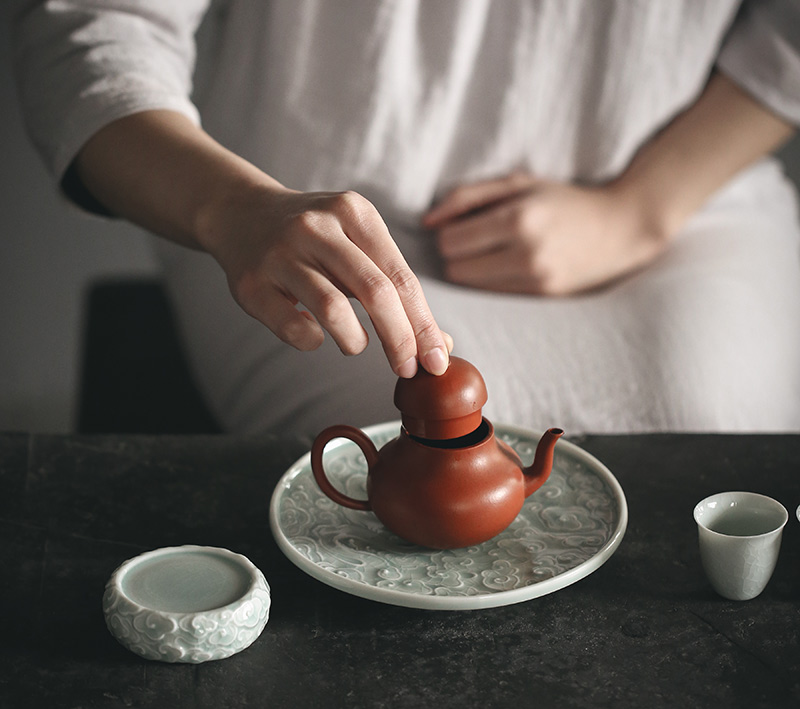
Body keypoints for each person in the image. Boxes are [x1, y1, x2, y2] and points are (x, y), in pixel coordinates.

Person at [12, 0, 800, 436]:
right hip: (288, 211)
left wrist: (635, 212)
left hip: (687, 189)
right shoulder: (259, 210)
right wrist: (235, 208)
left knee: (717, 444)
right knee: (408, 463)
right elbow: (93, 27)